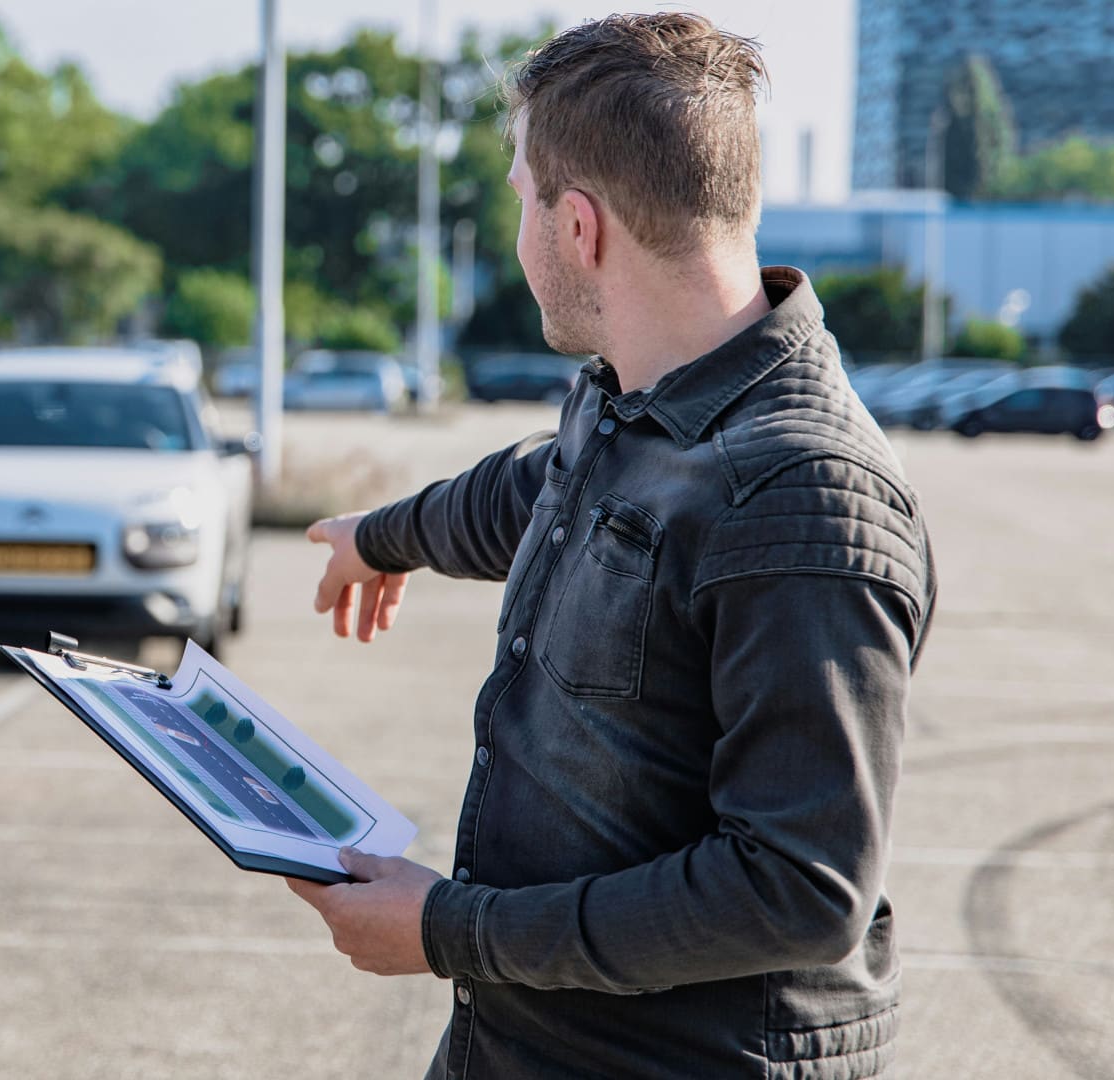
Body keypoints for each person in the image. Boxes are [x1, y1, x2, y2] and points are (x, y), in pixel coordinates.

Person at [291, 14, 935, 1080]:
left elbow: (798, 888)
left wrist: (449, 930)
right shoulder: (637, 400)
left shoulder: (806, 497)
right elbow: (538, 488)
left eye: (520, 204)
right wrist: (381, 536)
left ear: (579, 226)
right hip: (530, 1041)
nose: (518, 235)